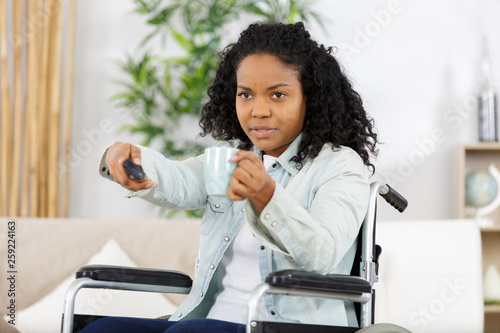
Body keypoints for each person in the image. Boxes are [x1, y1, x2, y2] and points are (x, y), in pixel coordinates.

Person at [82, 21, 378, 333]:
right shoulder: (231, 158)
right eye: (246, 95)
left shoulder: (339, 166)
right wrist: (131, 160)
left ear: (311, 98)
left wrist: (266, 196)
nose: (258, 110)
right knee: (102, 330)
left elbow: (321, 254)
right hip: (209, 323)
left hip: (291, 327)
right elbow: (179, 178)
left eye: (277, 95)